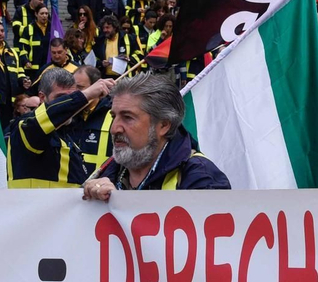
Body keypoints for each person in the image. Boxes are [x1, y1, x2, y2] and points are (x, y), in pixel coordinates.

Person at [81, 73, 229, 195]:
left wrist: (123, 206)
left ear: (163, 125)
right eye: (114, 117)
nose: (114, 129)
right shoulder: (107, 171)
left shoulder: (202, 178)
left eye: (128, 117)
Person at [8, 70, 112, 187]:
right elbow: (40, 122)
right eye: (61, 98)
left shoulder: (66, 133)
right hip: (35, 205)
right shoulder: (25, 125)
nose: (69, 106)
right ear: (42, 97)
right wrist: (85, 95)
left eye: (71, 97)